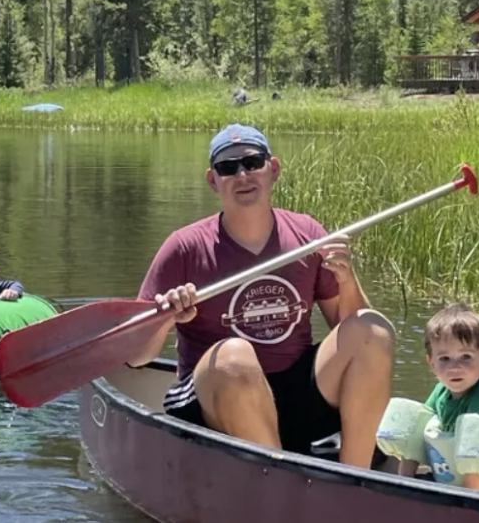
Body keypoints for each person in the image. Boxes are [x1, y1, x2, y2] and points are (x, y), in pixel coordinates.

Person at [131, 123, 396, 468]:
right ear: (214, 181)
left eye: (253, 162)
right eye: (229, 167)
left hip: (293, 397)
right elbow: (136, 358)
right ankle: (280, 485)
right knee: (234, 356)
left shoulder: (308, 234)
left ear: (273, 170)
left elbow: (351, 330)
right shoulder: (184, 247)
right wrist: (165, 318)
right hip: (217, 398)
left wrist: (347, 279)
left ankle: (355, 482)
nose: (243, 174)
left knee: (373, 329)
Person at [390, 303, 479, 494]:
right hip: (452, 485)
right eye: (444, 359)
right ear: (431, 363)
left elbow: (475, 488)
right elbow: (416, 434)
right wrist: (404, 485)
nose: (454, 367)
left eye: (465, 357)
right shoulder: (440, 392)